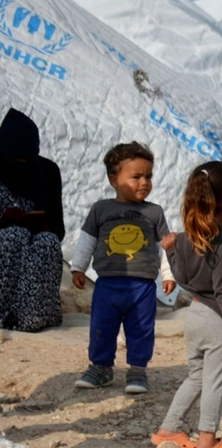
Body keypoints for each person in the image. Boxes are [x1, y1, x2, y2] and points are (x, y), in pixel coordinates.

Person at [152, 161, 222, 448]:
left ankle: (168, 429)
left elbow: (182, 278)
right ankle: (207, 441)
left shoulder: (183, 239)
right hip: (218, 320)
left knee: (196, 377)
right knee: (215, 381)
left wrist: (171, 250)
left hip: (194, 316)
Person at [70, 142, 175, 394]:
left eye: (148, 176)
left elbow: (164, 246)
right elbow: (87, 240)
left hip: (143, 287)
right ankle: (101, 368)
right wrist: (78, 267)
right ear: (114, 179)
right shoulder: (101, 209)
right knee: (102, 327)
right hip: (107, 285)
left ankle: (137, 371)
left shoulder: (154, 212)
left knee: (141, 328)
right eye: (136, 177)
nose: (144, 182)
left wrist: (168, 274)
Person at [0, 108, 65, 333]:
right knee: (13, 236)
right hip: (5, 241)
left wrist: (40, 225)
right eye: (14, 159)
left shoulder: (47, 172)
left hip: (35, 238)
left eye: (25, 159)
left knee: (48, 243)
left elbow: (58, 228)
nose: (20, 163)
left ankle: (34, 316)